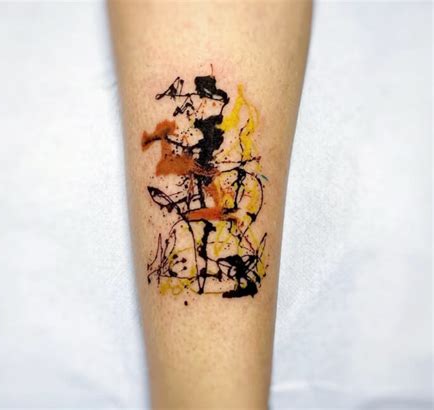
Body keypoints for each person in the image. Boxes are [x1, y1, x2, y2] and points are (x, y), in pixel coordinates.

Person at [108, 1, 312, 407]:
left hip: (214, 183)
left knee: (212, 222)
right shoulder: (199, 124)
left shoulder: (215, 128)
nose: (201, 105)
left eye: (206, 100)